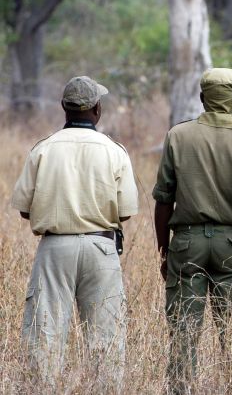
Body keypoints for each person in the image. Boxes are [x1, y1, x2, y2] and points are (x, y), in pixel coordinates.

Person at [10, 76, 139, 388]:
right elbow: (126, 211)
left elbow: (24, 208)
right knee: (105, 337)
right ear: (97, 109)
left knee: (45, 334)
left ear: (63, 108)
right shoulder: (114, 151)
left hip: (54, 249)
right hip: (101, 248)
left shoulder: (43, 149)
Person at [152, 68, 232, 394]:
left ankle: (180, 389)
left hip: (186, 244)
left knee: (183, 332)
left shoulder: (178, 135)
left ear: (203, 99)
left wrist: (164, 251)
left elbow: (163, 200)